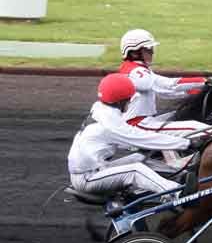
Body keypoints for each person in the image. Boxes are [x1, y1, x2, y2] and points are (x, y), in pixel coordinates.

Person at [67, 73, 201, 198]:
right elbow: (140, 137)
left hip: (97, 168)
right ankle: (178, 193)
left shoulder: (101, 109)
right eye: (129, 99)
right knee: (135, 170)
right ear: (121, 101)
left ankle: (180, 176)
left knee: (139, 158)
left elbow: (127, 139)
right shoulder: (110, 124)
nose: (130, 101)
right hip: (88, 178)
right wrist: (186, 143)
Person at [118, 29, 212, 137]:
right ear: (134, 53)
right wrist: (205, 81)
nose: (152, 52)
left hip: (144, 121)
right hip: (138, 125)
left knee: (185, 114)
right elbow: (170, 85)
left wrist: (193, 92)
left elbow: (164, 93)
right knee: (199, 128)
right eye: (148, 49)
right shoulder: (136, 72)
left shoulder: (135, 69)